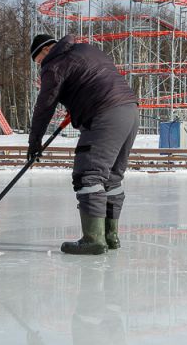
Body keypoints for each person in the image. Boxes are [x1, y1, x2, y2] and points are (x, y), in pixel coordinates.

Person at [28, 33, 139, 255]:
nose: (40, 66)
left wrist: (34, 141)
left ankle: (93, 239)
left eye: (38, 60)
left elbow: (45, 105)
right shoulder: (88, 50)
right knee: (112, 178)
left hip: (105, 114)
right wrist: (77, 106)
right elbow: (94, 80)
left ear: (45, 50)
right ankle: (110, 236)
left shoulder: (55, 63)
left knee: (88, 174)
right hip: (130, 110)